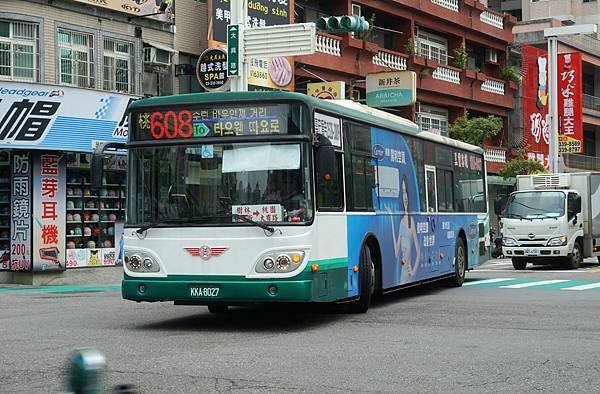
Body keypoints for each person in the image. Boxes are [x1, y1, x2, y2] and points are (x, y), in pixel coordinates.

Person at [385, 175, 420, 285]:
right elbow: (396, 252)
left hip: (409, 271)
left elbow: (418, 252)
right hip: (403, 272)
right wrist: (391, 218)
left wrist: (413, 271)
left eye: (406, 193)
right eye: (403, 193)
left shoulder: (411, 221)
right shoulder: (401, 223)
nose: (405, 197)